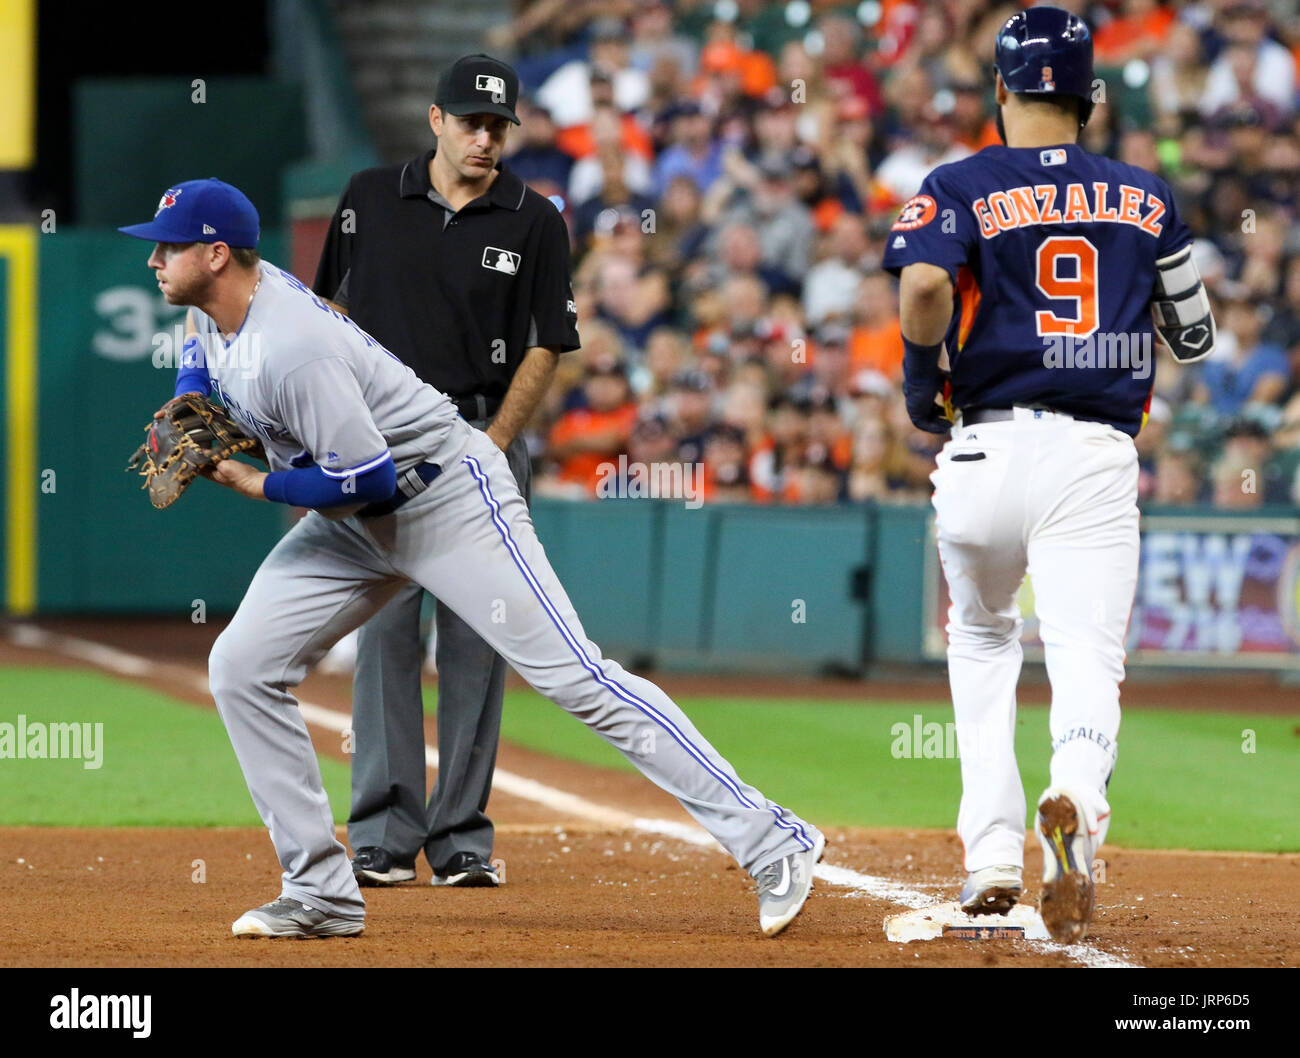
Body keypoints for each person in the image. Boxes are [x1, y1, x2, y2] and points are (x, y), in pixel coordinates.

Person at [117, 177, 825, 939]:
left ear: (217, 254)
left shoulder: (291, 346)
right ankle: (320, 891)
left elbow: (365, 478)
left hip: (446, 499)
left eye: (170, 246)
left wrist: (254, 482)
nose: (155, 260)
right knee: (242, 667)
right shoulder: (216, 304)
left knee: (575, 677)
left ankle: (771, 836)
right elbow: (199, 363)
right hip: (358, 526)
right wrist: (188, 394)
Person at [882, 7, 1216, 943]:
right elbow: (1195, 335)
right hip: (1092, 455)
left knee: (985, 644)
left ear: (1001, 91)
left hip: (983, 445)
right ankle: (1072, 802)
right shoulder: (1148, 197)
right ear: (1089, 99)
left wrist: (923, 382)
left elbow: (920, 288)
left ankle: (989, 854)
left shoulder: (957, 182)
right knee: (1083, 654)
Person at [312, 55, 578, 890]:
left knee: (480, 640)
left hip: (479, 435)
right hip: (380, 450)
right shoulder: (366, 198)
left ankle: (461, 836)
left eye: (498, 124)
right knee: (385, 635)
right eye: (471, 121)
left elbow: (547, 343)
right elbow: (332, 318)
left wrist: (495, 442)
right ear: (435, 120)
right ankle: (384, 834)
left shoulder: (535, 218)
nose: (485, 137)